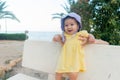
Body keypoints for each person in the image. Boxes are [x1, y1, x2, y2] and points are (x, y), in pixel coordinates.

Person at [53, 12, 109, 80]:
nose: (69, 27)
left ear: (78, 26)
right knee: (58, 74)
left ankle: (106, 42)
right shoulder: (65, 36)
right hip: (63, 61)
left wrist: (91, 37)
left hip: (75, 62)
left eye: (72, 24)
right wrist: (58, 38)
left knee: (73, 75)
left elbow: (91, 37)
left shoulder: (81, 34)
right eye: (66, 25)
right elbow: (55, 38)